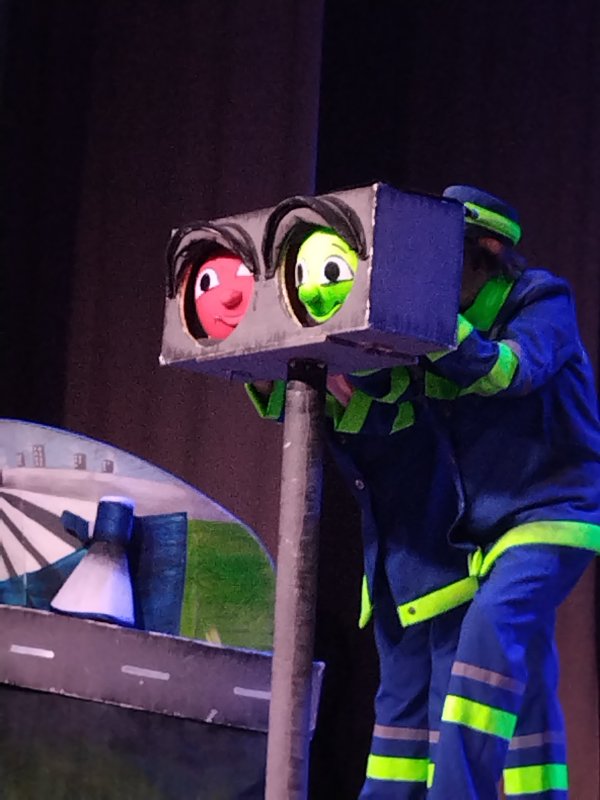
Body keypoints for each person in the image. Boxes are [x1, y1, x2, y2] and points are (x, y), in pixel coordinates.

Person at [247, 185, 600, 799]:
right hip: (479, 531)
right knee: (522, 680)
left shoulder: (540, 299)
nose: (427, 275)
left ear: (486, 252)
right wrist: (303, 369)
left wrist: (428, 324)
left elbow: (508, 371)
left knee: (492, 633)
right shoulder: (434, 342)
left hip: (551, 511)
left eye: (441, 259)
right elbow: (388, 409)